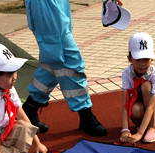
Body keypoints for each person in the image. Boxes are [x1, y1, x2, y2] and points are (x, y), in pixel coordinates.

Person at [22, 0, 107, 137]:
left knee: (53, 59)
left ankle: (30, 108)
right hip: (47, 4)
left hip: (55, 4)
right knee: (69, 59)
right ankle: (85, 115)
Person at [119, 32, 155, 145]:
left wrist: (140, 134)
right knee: (135, 110)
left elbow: (152, 106)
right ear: (129, 58)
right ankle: (143, 123)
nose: (142, 64)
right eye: (138, 60)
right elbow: (125, 104)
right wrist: (125, 130)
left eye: (146, 59)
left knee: (146, 86)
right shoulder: (127, 73)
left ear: (152, 59)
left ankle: (152, 126)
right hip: (141, 101)